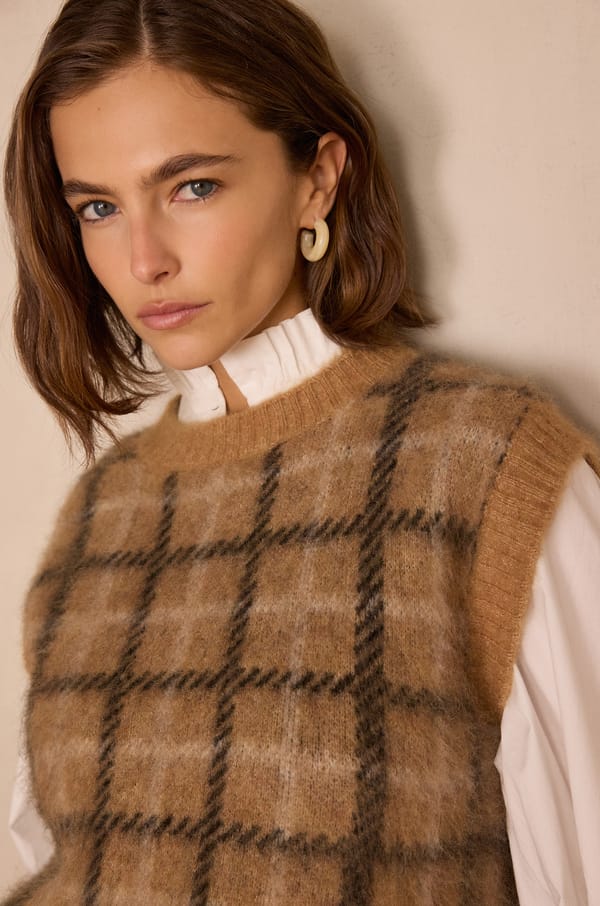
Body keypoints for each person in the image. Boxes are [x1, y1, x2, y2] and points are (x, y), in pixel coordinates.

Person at [2, 0, 599, 903]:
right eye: (98, 207)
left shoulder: (488, 467)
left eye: (191, 187)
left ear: (317, 180)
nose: (143, 259)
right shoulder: (101, 513)